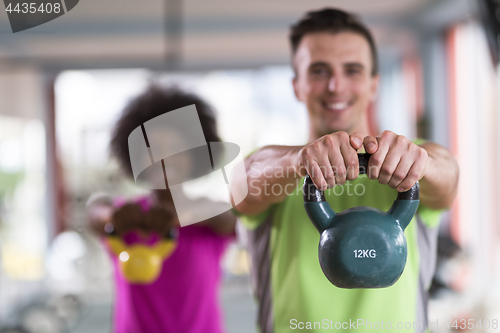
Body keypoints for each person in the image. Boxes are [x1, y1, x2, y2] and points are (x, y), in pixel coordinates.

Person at [232, 8, 459, 333]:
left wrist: (421, 163)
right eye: (319, 71)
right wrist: (300, 161)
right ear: (297, 86)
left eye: (352, 70)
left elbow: (448, 173)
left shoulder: (414, 160)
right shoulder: (279, 170)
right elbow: (243, 180)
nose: (336, 86)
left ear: (373, 85)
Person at [86, 86, 236, 333]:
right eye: (151, 147)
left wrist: (183, 214)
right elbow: (95, 212)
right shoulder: (127, 217)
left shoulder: (208, 215)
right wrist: (111, 216)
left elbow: (230, 217)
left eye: (176, 147)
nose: (164, 156)